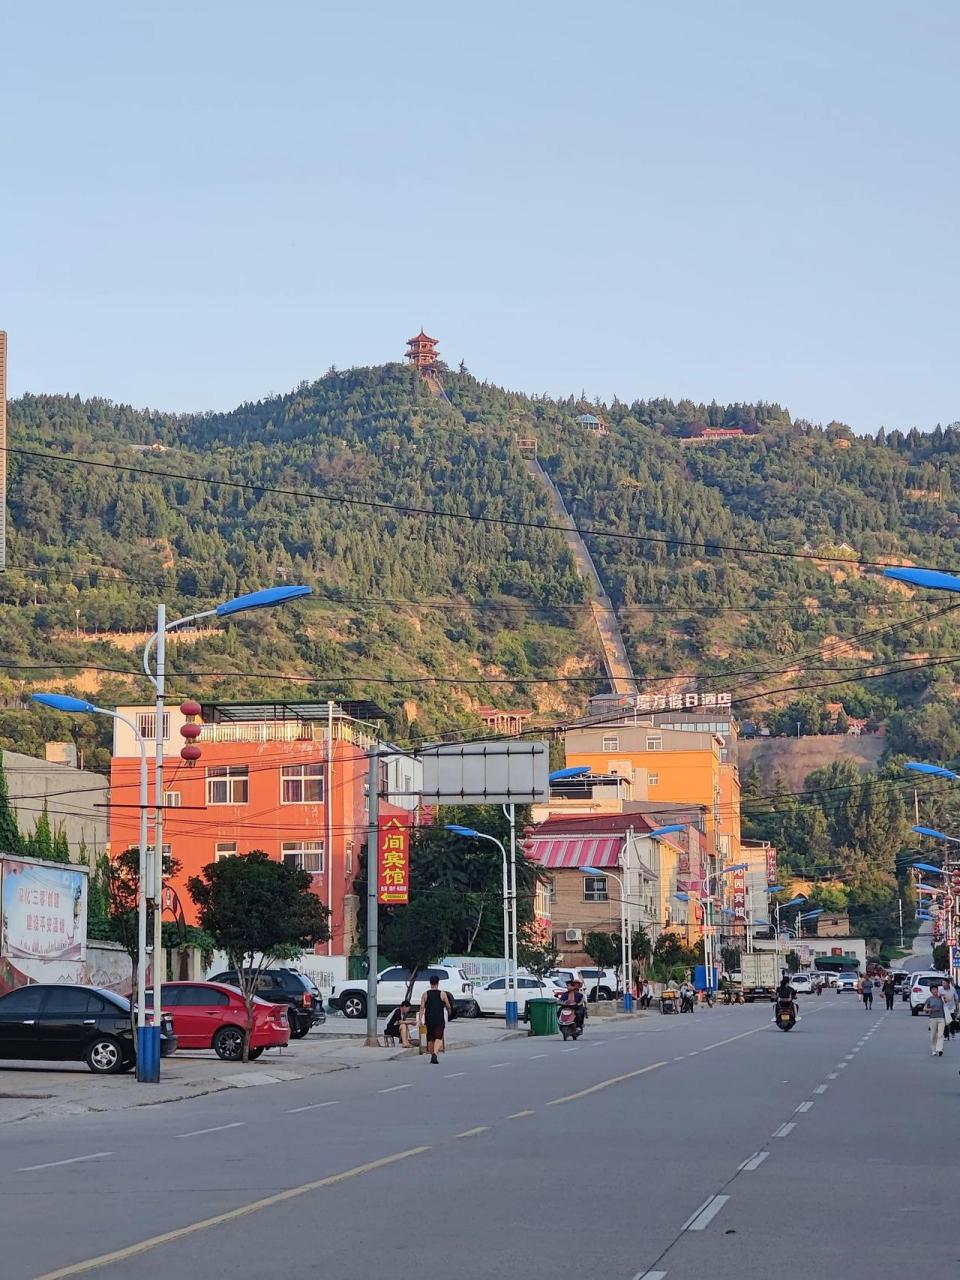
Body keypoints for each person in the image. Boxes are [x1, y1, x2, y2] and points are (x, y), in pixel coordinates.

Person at [419, 976, 452, 1065]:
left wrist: (420, 1019)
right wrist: (449, 1010)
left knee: (430, 1039)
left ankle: (432, 1055)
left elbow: (422, 1007)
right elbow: (448, 1005)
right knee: (438, 1037)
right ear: (438, 983)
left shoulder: (425, 994)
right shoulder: (442, 994)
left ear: (430, 983)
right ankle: (435, 1053)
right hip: (439, 1019)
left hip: (429, 1019)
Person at [924, 983, 947, 1057]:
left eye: (936, 989)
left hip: (941, 1018)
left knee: (940, 1034)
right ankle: (933, 1050)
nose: (935, 991)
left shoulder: (941, 998)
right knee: (933, 1035)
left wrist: (944, 997)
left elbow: (947, 1001)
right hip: (933, 1018)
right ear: (931, 991)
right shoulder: (929, 999)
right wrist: (931, 1009)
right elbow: (925, 1009)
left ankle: (939, 1049)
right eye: (933, 989)